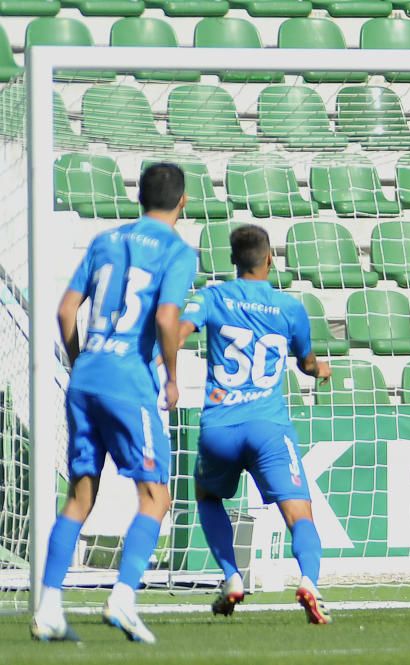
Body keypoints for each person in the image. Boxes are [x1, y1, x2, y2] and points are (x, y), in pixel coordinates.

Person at [32, 163, 197, 643]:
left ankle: (48, 607)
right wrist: (170, 377)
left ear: (139, 199)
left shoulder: (105, 240)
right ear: (182, 203)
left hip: (85, 380)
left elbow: (66, 309)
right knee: (156, 495)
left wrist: (82, 361)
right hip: (128, 381)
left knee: (80, 495)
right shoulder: (177, 251)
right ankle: (123, 597)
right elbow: (167, 319)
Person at [178, 224, 333, 624]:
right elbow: (306, 361)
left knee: (208, 497)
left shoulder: (211, 296)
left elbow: (177, 331)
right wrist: (320, 371)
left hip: (219, 428)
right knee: (300, 515)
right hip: (268, 428)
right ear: (269, 259)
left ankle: (231, 576)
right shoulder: (289, 308)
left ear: (233, 260)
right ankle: (308, 581)